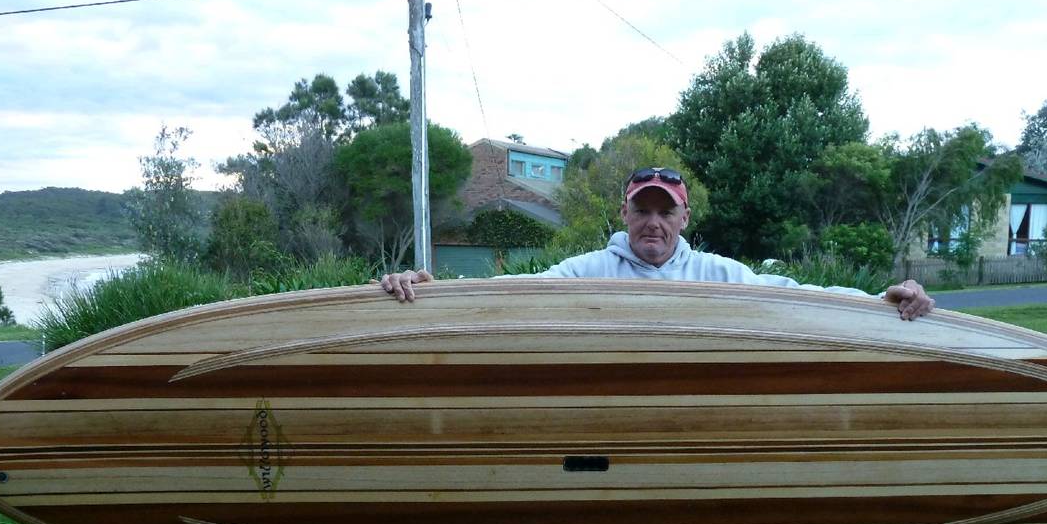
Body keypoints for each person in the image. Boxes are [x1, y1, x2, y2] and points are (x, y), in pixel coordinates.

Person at [380, 166, 936, 319]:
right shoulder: (587, 271)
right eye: (641, 210)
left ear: (684, 218)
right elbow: (513, 291)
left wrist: (876, 300)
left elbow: (794, 296)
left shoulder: (718, 274)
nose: (653, 223)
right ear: (624, 213)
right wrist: (430, 289)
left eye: (664, 212)